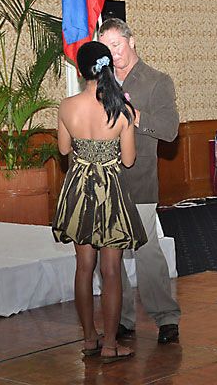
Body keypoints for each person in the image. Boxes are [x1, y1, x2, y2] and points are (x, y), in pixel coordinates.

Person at [52, 41, 147, 363]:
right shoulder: (122, 109)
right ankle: (110, 344)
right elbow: (129, 160)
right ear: (107, 68)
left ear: (80, 71)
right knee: (111, 270)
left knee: (83, 268)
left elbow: (64, 150)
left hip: (78, 188)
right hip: (110, 190)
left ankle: (89, 339)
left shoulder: (67, 105)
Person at [97, 18, 181, 344]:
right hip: (105, 181)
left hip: (140, 179)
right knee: (110, 257)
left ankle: (166, 318)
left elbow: (170, 129)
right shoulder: (99, 82)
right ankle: (122, 319)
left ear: (131, 41)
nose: (113, 53)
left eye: (116, 45)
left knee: (147, 253)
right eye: (106, 48)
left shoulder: (157, 81)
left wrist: (133, 115)